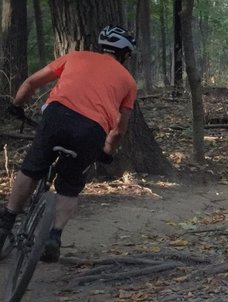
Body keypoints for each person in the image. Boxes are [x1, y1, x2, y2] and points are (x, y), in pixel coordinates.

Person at [1, 25, 137, 263]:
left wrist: (17, 105)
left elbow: (32, 82)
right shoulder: (129, 81)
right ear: (125, 54)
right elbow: (119, 129)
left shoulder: (75, 57)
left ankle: (7, 222)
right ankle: (55, 236)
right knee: (70, 186)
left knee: (31, 169)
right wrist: (106, 151)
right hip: (92, 130)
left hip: (57, 116)